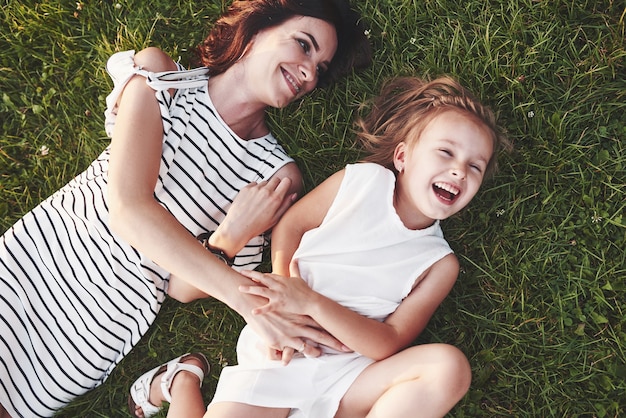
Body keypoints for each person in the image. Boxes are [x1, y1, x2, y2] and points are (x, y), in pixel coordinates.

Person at [0, 0, 371, 417]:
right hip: (30, 264)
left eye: (319, 69)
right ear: (256, 30)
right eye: (304, 46)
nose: (308, 72)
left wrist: (229, 238)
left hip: (95, 329)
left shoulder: (275, 176)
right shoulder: (163, 78)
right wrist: (243, 299)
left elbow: (178, 287)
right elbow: (127, 205)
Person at [128, 76, 511, 418]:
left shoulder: (438, 263)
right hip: (282, 353)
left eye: (474, 166)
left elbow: (389, 341)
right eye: (445, 153)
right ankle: (182, 378)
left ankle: (181, 379)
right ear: (403, 156)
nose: (459, 170)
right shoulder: (361, 182)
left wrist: (312, 303)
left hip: (347, 377)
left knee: (448, 367)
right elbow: (293, 224)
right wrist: (287, 291)